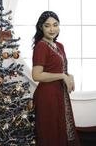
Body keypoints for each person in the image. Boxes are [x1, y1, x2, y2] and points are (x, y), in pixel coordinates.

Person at [32, 11, 80, 146]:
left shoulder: (59, 46)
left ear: (59, 26)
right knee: (51, 132)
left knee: (61, 130)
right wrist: (62, 76)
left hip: (60, 93)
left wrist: (69, 76)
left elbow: (59, 68)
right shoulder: (41, 46)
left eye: (55, 25)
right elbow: (36, 75)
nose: (52, 29)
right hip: (47, 96)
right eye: (47, 26)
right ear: (41, 27)